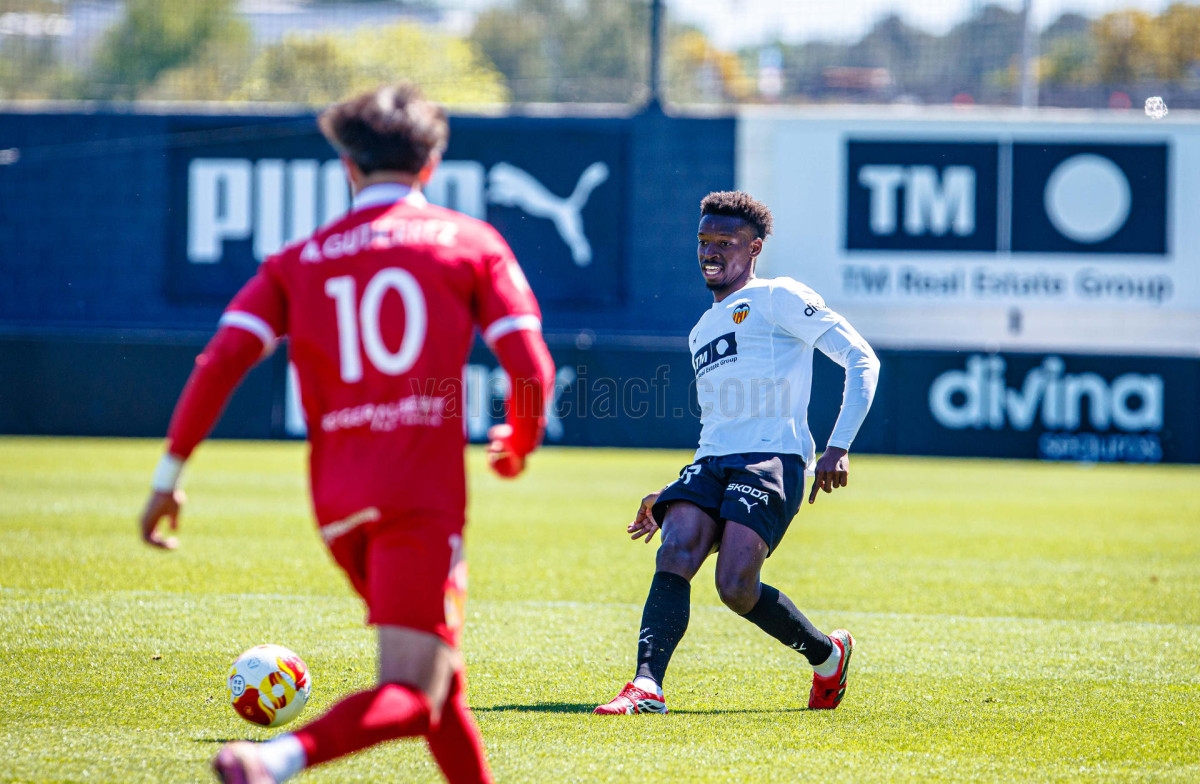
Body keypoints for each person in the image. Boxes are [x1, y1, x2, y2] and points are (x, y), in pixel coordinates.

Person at [138, 82, 556, 783]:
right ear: (431, 166)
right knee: (414, 692)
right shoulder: (469, 242)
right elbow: (531, 368)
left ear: (347, 167)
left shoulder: (299, 259)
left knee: (439, 676)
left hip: (337, 503)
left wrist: (167, 480)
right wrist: (521, 440)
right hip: (418, 501)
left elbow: (220, 362)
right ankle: (274, 761)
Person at [594, 191, 879, 716]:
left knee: (735, 586)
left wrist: (838, 445)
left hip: (774, 459)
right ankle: (646, 685)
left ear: (755, 249)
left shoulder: (778, 297)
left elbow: (861, 359)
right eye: (704, 241)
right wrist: (676, 491)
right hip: (712, 462)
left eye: (725, 242)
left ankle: (827, 656)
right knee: (675, 550)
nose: (711, 251)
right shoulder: (702, 329)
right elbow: (718, 423)